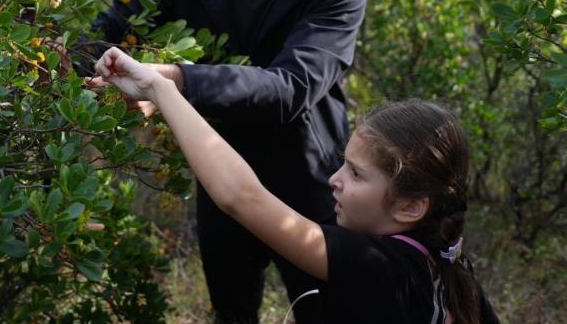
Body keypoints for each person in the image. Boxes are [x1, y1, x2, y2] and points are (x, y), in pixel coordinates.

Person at [90, 0, 368, 323]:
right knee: (232, 313)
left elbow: (290, 89)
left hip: (310, 180)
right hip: (219, 171)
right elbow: (107, 33)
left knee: (329, 313)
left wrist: (172, 81)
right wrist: (87, 68)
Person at [90, 47, 501, 324]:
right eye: (343, 164)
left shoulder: (382, 268)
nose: (334, 180)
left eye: (356, 174)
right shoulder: (447, 262)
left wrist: (161, 89)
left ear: (411, 207)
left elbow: (240, 197)